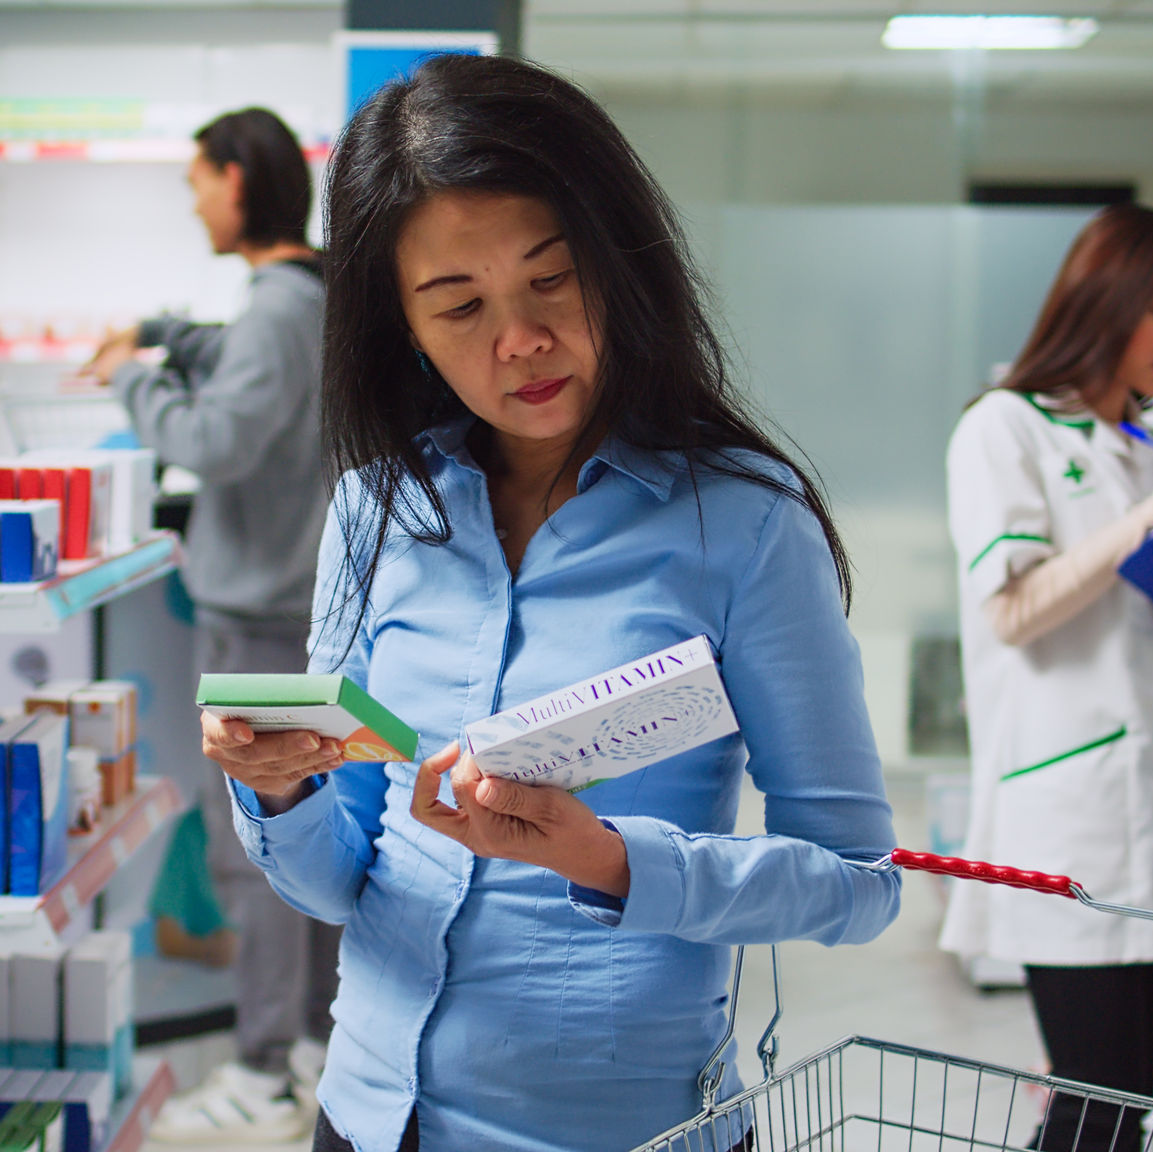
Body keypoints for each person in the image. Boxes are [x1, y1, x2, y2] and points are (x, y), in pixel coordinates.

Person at [197, 55, 901, 1152]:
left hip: (624, 1130)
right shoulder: (373, 512)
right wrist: (278, 793)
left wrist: (607, 860)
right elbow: (340, 886)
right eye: (458, 305)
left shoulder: (745, 525)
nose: (517, 340)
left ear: (618, 261)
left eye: (550, 280)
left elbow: (857, 885)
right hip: (373, 1118)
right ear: (404, 328)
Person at [938, 204, 1153, 1152]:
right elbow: (1015, 610)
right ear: (1104, 296)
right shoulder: (1006, 429)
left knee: (1121, 1114)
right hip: (1073, 823)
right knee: (1096, 1114)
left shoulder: (1151, 450)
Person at [82, 108, 335, 1144]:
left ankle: (265, 1066)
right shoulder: (302, 299)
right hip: (289, 610)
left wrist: (132, 376)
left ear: (237, 180)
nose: (191, 200)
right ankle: (309, 1045)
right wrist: (167, 334)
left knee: (257, 851)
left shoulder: (279, 309)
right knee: (301, 839)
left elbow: (218, 437)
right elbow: (241, 360)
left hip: (259, 621)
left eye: (196, 179)